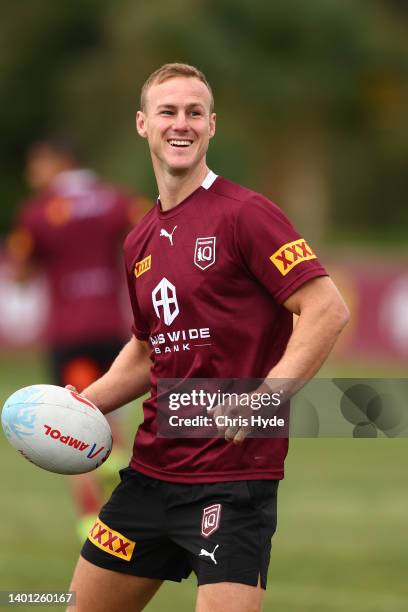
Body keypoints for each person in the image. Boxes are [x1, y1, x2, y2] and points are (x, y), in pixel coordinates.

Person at [68, 64, 349, 612]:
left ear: (212, 126)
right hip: (148, 477)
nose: (182, 124)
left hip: (232, 481)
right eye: (168, 112)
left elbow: (325, 308)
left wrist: (263, 401)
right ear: (143, 124)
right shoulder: (139, 241)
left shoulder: (247, 215)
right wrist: (77, 407)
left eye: (194, 112)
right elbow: (148, 350)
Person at [6, 136, 148, 538]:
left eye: (36, 164)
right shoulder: (116, 199)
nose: (32, 174)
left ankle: (91, 520)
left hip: (69, 332)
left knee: (73, 423)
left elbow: (19, 270)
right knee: (110, 411)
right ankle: (116, 464)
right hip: (112, 327)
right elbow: (150, 227)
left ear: (58, 162)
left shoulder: (38, 212)